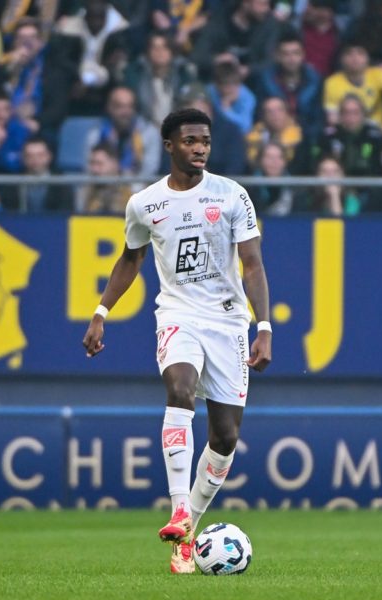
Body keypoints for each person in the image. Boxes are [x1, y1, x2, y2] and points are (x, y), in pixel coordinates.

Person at [81, 107, 272, 574]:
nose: (200, 148)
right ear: (169, 146)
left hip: (228, 322)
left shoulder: (232, 195)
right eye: (190, 141)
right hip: (178, 315)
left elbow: (252, 264)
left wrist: (263, 326)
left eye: (204, 140)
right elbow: (130, 259)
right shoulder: (145, 203)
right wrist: (101, 312)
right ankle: (179, 506)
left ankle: (187, 535)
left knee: (225, 437)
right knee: (179, 389)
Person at [323, 42, 382, 137]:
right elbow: (333, 119)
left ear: (367, 58)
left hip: (379, 134)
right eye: (349, 53)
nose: (355, 58)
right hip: (349, 136)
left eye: (360, 53)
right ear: (342, 59)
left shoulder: (378, 74)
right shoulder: (332, 82)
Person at [250, 31, 323, 137]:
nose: (291, 59)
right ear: (277, 56)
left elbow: (318, 118)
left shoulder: (314, 80)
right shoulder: (265, 80)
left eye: (296, 53)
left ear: (303, 55)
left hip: (306, 137)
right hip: (273, 136)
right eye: (286, 54)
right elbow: (259, 115)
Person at [123, 32, 197, 128]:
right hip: (143, 128)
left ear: (171, 52)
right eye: (154, 47)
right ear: (148, 52)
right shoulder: (136, 75)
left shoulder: (182, 74)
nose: (159, 52)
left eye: (164, 47)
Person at [84, 87, 162, 178]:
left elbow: (149, 172)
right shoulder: (96, 135)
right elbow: (89, 169)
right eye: (120, 106)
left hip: (137, 184)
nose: (126, 112)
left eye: (130, 106)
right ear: (109, 108)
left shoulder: (149, 134)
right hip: (103, 182)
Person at [76, 142, 133, 214]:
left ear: (114, 164)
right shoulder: (85, 192)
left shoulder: (132, 189)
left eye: (99, 163)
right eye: (92, 163)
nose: (95, 169)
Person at [22, 136, 72, 213]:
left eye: (40, 155)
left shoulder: (61, 184)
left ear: (49, 156)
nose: (35, 159)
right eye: (30, 156)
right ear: (23, 158)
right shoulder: (12, 185)